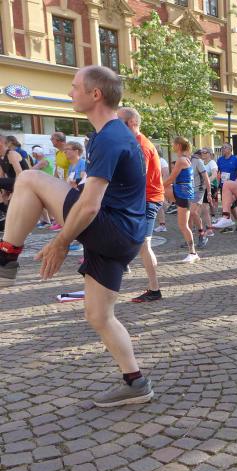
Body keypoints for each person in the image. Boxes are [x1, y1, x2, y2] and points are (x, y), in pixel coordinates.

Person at [0, 65, 154, 406]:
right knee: (98, 315)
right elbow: (94, 191)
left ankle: (6, 259)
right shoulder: (105, 136)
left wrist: (61, 241)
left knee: (28, 179)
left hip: (112, 229)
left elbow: (89, 206)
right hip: (122, 235)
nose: (69, 92)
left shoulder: (111, 137)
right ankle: (136, 383)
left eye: (74, 86)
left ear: (95, 94)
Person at [118, 107, 165, 303]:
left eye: (118, 121)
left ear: (131, 123)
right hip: (140, 198)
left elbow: (138, 177)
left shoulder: (141, 145)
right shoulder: (132, 143)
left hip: (148, 199)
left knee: (144, 243)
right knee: (132, 239)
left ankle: (154, 290)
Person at [163, 137, 199, 263]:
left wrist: (158, 187)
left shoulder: (181, 160)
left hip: (183, 194)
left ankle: (193, 253)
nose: (172, 146)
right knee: (184, 225)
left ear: (178, 145)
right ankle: (166, 204)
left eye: (173, 144)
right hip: (180, 191)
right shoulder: (185, 159)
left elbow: (171, 179)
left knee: (183, 226)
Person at [215, 142, 237, 229]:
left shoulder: (235, 159)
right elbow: (218, 173)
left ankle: (231, 224)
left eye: (225, 147)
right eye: (222, 147)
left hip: (232, 186)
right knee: (229, 205)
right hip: (223, 186)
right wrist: (217, 184)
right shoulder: (220, 160)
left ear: (230, 149)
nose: (223, 149)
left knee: (229, 205)